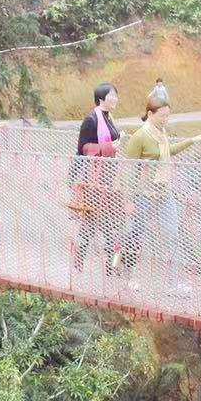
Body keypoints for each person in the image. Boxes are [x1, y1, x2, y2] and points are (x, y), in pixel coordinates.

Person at [119, 95, 201, 293]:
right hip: (143, 194)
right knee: (136, 235)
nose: (165, 119)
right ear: (150, 114)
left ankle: (176, 282)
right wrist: (128, 200)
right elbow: (128, 170)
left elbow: (168, 151)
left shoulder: (162, 134)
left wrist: (192, 141)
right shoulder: (140, 136)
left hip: (164, 192)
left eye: (168, 116)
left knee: (172, 235)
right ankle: (129, 276)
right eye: (162, 116)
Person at [71, 83, 123, 273]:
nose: (115, 99)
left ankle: (109, 266)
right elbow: (83, 149)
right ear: (101, 98)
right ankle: (89, 264)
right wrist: (110, 148)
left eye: (116, 95)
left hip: (108, 178)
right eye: (112, 95)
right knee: (93, 223)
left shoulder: (109, 117)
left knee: (107, 222)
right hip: (93, 181)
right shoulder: (91, 120)